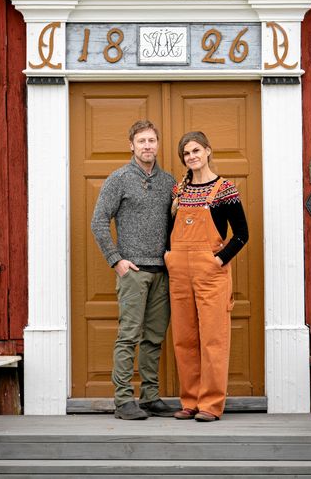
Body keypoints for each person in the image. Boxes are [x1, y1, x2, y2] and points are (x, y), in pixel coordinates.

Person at [91, 119, 179, 420]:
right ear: (131, 145)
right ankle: (123, 400)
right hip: (133, 271)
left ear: (158, 144)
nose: (147, 146)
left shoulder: (169, 182)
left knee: (154, 338)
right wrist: (116, 260)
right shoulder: (119, 179)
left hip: (162, 272)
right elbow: (98, 222)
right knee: (128, 336)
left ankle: (150, 397)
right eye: (141, 141)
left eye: (152, 140)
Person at [165, 131, 248, 422]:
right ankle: (190, 401)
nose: (192, 157)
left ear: (208, 151)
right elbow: (169, 230)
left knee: (213, 339)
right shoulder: (179, 191)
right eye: (187, 153)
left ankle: (210, 405)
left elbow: (242, 234)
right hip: (179, 273)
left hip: (211, 273)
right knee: (184, 339)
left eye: (196, 150)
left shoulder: (225, 189)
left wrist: (219, 260)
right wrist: (168, 255)